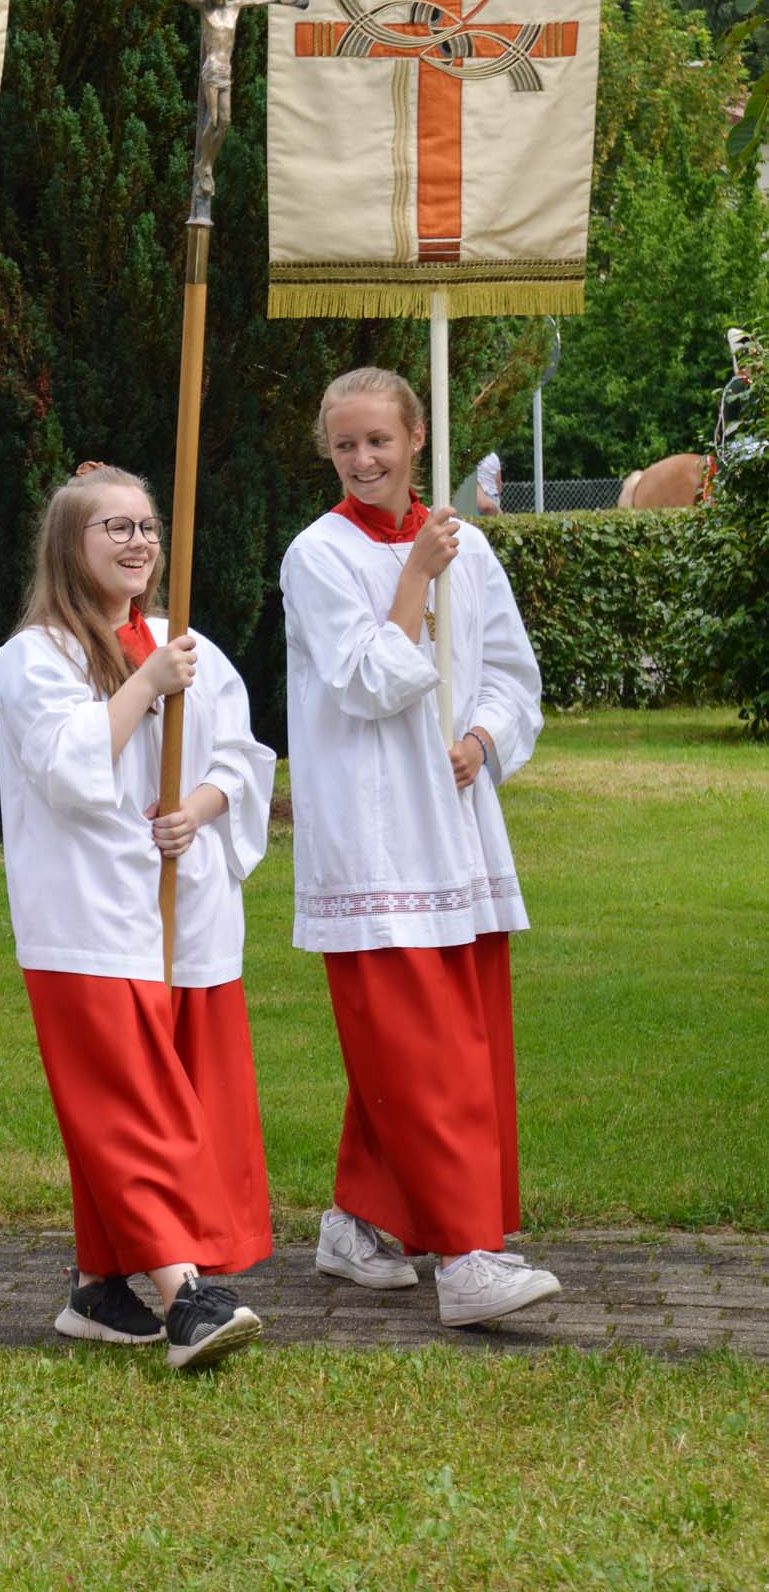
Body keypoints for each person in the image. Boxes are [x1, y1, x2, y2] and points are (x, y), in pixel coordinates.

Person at [280, 369, 559, 1327]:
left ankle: (357, 1222)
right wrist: (412, 579)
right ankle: (466, 1256)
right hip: (374, 834)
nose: (363, 460)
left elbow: (511, 673)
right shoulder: (316, 555)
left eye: (378, 441)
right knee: (421, 1049)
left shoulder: (466, 549)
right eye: (345, 444)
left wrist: (481, 738)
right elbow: (365, 680)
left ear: (416, 437)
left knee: (446, 1043)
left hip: (457, 825)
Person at [0, 464, 275, 1370]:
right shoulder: (35, 657)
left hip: (182, 910)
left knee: (172, 1094)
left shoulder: (189, 649)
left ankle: (99, 1287)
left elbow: (242, 756)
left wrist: (200, 805)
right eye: (113, 526)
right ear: (67, 545)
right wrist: (145, 681)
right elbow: (69, 768)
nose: (138, 541)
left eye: (146, 525)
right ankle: (183, 1295)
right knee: (127, 1104)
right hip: (87, 911)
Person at [475, 450, 502, 516]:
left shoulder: (471, 454)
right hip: (493, 496)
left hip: (478, 498)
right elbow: (498, 481)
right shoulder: (494, 456)